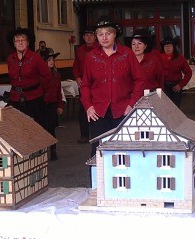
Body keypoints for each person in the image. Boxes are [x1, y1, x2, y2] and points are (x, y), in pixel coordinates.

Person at [80, 15, 146, 161]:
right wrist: (88, 107)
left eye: (108, 33)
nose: (104, 37)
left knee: (125, 150)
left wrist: (131, 104)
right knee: (98, 152)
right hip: (98, 112)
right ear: (96, 36)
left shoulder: (127, 53)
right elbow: (85, 85)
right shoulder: (91, 57)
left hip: (123, 111)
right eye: (100, 34)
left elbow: (140, 80)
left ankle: (124, 182)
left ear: (114, 35)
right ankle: (96, 184)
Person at [6, 27, 53, 128]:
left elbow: (47, 77)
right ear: (14, 43)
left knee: (35, 128)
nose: (20, 42)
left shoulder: (35, 57)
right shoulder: (10, 59)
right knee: (17, 128)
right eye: (17, 40)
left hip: (34, 99)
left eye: (23, 39)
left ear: (28, 42)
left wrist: (42, 94)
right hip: (15, 99)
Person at [72, 26, 99, 144]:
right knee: (83, 109)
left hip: (97, 82)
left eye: (91, 35)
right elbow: (76, 66)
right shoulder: (79, 50)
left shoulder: (100, 48)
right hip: (84, 82)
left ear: (95, 37)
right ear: (83, 37)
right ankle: (84, 135)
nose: (89, 37)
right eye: (86, 35)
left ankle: (96, 134)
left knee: (97, 107)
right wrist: (77, 77)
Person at [40, 48, 64, 161]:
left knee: (51, 129)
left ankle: (53, 151)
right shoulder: (40, 76)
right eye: (49, 60)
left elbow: (59, 91)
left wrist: (60, 105)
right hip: (42, 105)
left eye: (52, 60)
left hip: (52, 104)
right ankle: (41, 152)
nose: (51, 62)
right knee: (41, 129)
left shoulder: (56, 75)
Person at [160, 36, 192, 107]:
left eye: (170, 46)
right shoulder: (158, 58)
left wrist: (181, 85)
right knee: (164, 108)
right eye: (165, 46)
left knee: (176, 108)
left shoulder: (180, 59)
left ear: (173, 47)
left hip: (176, 87)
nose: (168, 48)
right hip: (163, 86)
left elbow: (188, 72)